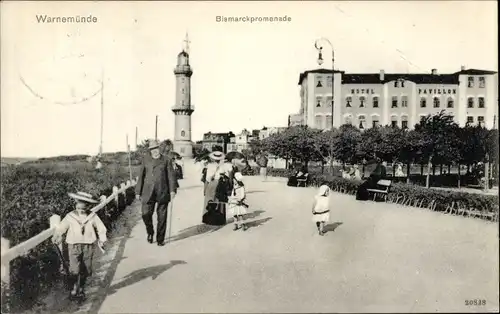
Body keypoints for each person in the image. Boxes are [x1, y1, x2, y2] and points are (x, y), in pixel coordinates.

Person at [52, 191, 107, 300]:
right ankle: (74, 289)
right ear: (76, 205)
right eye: (78, 207)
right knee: (74, 269)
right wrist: (57, 235)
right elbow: (62, 227)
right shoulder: (70, 216)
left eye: (83, 208)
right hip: (73, 245)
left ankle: (81, 288)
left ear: (88, 206)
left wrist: (102, 239)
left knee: (86, 269)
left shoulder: (92, 216)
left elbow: (101, 228)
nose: (81, 210)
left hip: (88, 245)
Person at [135, 140, 177, 246]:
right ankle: (150, 232)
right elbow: (141, 176)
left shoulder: (166, 160)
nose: (155, 151)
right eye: (152, 149)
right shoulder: (146, 160)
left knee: (162, 217)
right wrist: (138, 191)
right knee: (145, 214)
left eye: (156, 148)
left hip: (162, 191)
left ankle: (160, 239)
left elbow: (171, 176)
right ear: (150, 150)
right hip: (147, 192)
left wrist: (172, 190)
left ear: (160, 148)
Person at [201, 150, 234, 226]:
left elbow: (208, 178)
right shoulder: (226, 165)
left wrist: (205, 189)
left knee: (210, 200)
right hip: (221, 184)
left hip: (212, 183)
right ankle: (220, 219)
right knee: (220, 201)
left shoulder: (210, 165)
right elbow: (230, 174)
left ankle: (209, 219)